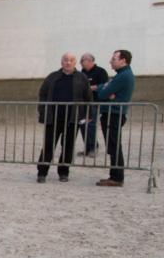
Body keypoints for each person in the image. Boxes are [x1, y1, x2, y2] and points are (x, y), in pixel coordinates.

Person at [35, 52, 91, 183]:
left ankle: (63, 172)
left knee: (68, 146)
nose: (68, 62)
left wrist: (88, 114)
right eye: (65, 60)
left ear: (75, 62)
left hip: (72, 119)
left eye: (71, 60)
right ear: (61, 62)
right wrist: (42, 111)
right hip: (53, 118)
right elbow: (42, 94)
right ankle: (42, 172)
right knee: (48, 146)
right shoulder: (52, 77)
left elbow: (88, 97)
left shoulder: (81, 78)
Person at [94, 49, 134, 187]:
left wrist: (105, 90)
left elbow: (103, 94)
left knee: (114, 145)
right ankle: (114, 175)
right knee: (113, 145)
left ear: (123, 60)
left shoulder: (123, 76)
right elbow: (105, 89)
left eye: (114, 59)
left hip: (114, 114)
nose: (111, 61)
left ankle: (117, 178)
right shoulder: (121, 74)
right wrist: (104, 89)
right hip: (112, 114)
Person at [77, 53, 108, 156]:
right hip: (83, 102)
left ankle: (93, 148)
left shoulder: (101, 71)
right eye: (81, 61)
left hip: (95, 102)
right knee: (82, 124)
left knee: (91, 124)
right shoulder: (83, 72)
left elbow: (105, 85)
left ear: (90, 61)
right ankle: (88, 146)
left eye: (83, 60)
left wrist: (92, 87)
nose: (81, 63)